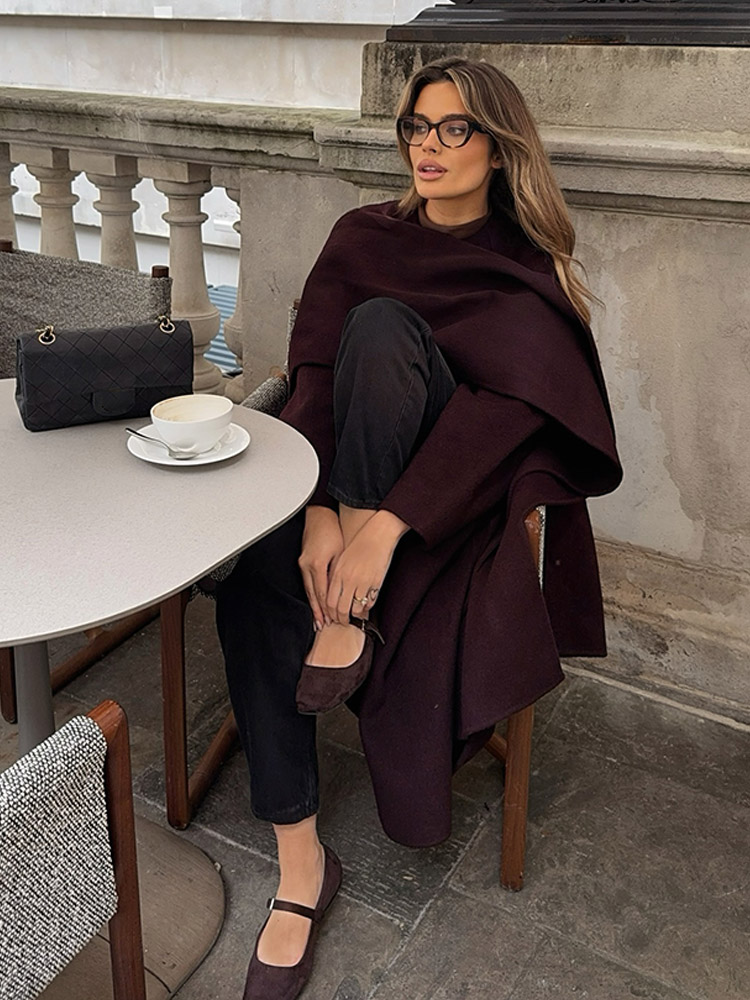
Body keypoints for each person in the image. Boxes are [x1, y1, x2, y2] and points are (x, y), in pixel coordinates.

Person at [215, 57, 622, 1000]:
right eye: (415, 127)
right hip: (338, 483)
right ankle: (302, 866)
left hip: (448, 504)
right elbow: (313, 380)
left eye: (453, 129)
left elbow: (515, 413)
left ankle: (350, 611)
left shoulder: (521, 267)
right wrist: (323, 514)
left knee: (386, 329)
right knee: (256, 579)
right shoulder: (363, 234)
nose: (427, 148)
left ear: (498, 146)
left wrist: (385, 527)